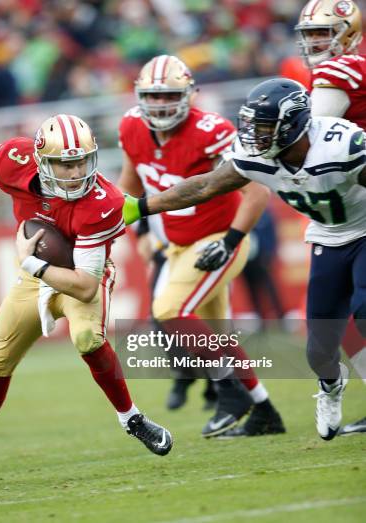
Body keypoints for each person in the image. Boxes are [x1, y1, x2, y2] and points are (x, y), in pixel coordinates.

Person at [0, 114, 173, 462]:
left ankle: (131, 418)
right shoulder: (15, 159)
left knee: (86, 338)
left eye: (80, 162)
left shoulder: (102, 202)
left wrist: (34, 264)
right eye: (65, 165)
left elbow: (86, 289)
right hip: (36, 276)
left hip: (81, 272)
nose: (76, 173)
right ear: (43, 161)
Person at [123, 77, 366, 441]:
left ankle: (233, 391)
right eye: (253, 125)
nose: (255, 135)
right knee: (318, 349)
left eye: (265, 127)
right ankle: (329, 388)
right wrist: (141, 207)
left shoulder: (341, 146)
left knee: (362, 315)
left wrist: (232, 237)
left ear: (294, 123)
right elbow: (204, 185)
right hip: (327, 237)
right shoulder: (254, 155)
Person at [117, 54, 284, 437]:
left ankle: (228, 389)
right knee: (212, 333)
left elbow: (257, 191)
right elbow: (130, 183)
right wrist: (139, 232)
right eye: (153, 96)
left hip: (217, 240)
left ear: (189, 95)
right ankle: (265, 411)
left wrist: (231, 241)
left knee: (169, 310)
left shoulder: (212, 130)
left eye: (169, 95)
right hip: (177, 243)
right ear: (140, 96)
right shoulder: (131, 126)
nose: (160, 104)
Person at [295, 0, 366, 435]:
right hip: (334, 220)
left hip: (359, 209)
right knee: (322, 339)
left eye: (325, 32)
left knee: (361, 314)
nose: (315, 42)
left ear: (350, 31)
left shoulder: (338, 73)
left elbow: (314, 138)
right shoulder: (340, 72)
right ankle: (331, 386)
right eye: (310, 34)